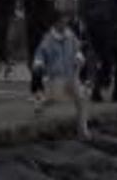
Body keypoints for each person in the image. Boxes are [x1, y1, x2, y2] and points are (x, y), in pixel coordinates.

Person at [32, 11, 90, 139]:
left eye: (66, 21)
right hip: (57, 76)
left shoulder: (71, 36)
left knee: (81, 99)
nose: (65, 24)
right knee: (54, 99)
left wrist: (79, 58)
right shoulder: (48, 39)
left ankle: (83, 130)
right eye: (62, 21)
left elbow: (77, 49)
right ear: (56, 23)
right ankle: (40, 104)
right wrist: (38, 64)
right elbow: (40, 53)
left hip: (72, 74)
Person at [77, 0, 115, 102]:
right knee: (100, 57)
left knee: (100, 57)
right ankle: (96, 87)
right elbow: (86, 4)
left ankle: (96, 84)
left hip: (99, 23)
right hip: (97, 24)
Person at [20, 0, 55, 97]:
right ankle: (37, 82)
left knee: (35, 52)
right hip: (39, 21)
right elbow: (42, 1)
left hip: (32, 20)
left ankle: (36, 82)